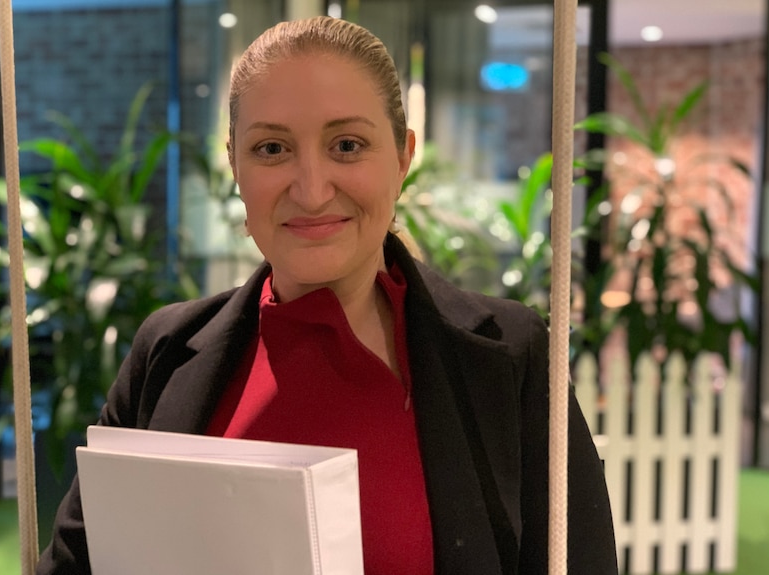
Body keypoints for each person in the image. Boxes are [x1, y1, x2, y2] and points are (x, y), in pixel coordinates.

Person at [37, 16, 616, 575]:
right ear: (235, 163)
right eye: (271, 149)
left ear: (403, 156)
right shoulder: (165, 353)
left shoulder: (510, 357)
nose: (312, 191)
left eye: (346, 145)